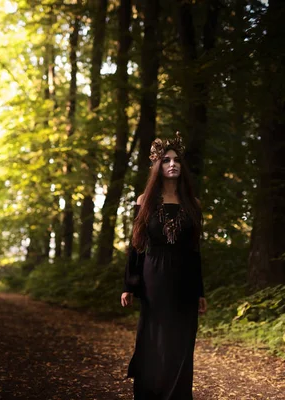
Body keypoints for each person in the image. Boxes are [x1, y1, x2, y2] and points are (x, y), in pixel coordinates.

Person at [121, 132, 207, 400]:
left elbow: (195, 252)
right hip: (153, 279)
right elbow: (136, 246)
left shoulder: (194, 205)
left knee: (181, 343)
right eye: (166, 160)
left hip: (184, 281)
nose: (172, 164)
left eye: (177, 160)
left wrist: (200, 291)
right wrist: (129, 285)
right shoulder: (143, 201)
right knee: (154, 342)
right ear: (157, 165)